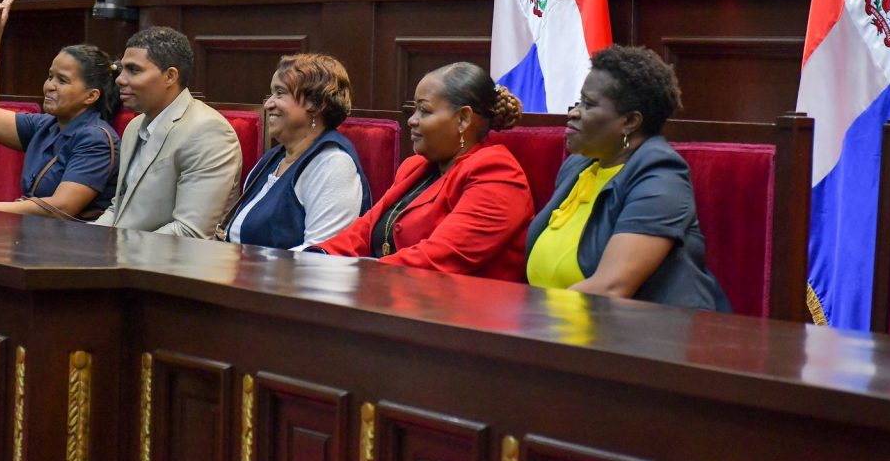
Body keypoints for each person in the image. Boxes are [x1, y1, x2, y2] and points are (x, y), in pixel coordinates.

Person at [526, 45, 730, 311]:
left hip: (644, 341)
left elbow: (610, 288)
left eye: (588, 105)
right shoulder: (579, 166)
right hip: (561, 333)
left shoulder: (661, 178)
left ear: (630, 122)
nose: (573, 112)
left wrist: (528, 318)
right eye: (578, 101)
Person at [314, 62, 533, 281]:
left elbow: (439, 258)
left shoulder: (497, 175)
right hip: (391, 294)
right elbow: (364, 230)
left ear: (463, 119)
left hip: (456, 310)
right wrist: (315, 257)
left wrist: (353, 276)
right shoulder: (415, 166)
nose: (412, 120)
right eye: (414, 110)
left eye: (424, 111)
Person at [0, 0, 120, 219]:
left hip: (74, 249)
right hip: (34, 239)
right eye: (50, 77)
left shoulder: (95, 139)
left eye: (62, 80)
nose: (49, 86)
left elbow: (62, 207)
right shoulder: (46, 125)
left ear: (91, 96)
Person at [93, 27, 241, 238]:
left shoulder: (207, 132)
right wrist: (86, 241)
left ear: (170, 76)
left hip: (171, 266)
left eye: (133, 70)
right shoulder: (134, 127)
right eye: (122, 69)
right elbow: (119, 209)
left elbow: (189, 231)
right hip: (126, 257)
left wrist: (115, 252)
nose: (119, 79)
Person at [216, 54, 371, 249]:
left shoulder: (333, 165)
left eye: (280, 93)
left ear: (316, 104)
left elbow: (319, 254)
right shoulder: (273, 159)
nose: (268, 104)